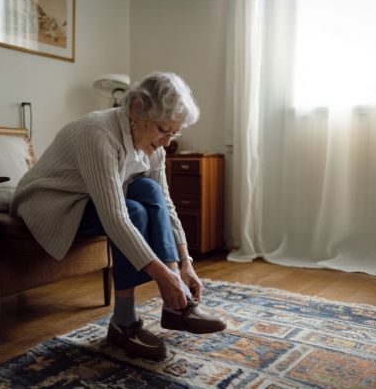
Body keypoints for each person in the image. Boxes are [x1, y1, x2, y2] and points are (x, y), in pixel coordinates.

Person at [12, 72, 226, 361]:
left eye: (173, 134)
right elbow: (115, 216)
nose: (166, 142)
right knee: (133, 210)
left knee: (149, 189)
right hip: (51, 205)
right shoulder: (97, 133)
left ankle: (177, 308)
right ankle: (123, 322)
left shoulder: (154, 147)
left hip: (86, 201)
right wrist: (163, 277)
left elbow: (165, 203)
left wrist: (184, 265)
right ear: (137, 109)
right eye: (164, 130)